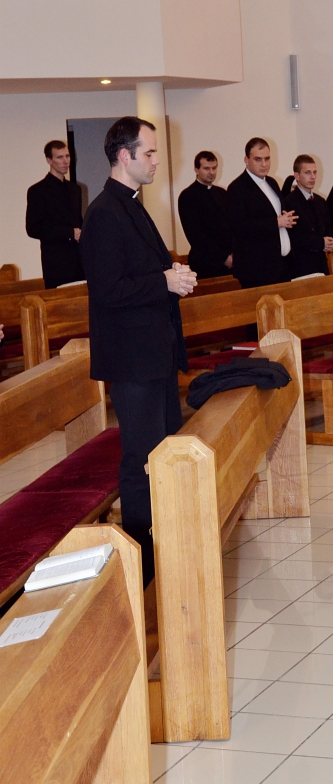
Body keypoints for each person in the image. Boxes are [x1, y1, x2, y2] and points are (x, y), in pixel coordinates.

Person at [80, 117, 196, 587]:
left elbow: (142, 272)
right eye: (148, 152)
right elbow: (107, 290)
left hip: (155, 353)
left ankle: (168, 543)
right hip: (133, 359)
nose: (155, 161)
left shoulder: (132, 205)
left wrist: (173, 276)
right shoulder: (104, 213)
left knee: (163, 452)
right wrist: (163, 281)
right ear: (124, 156)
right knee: (141, 460)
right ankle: (142, 560)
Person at [225, 137, 297, 288]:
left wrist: (286, 218)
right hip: (256, 269)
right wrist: (276, 223)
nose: (264, 164)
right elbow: (239, 227)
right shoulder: (237, 188)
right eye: (258, 159)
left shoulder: (272, 182)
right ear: (246, 160)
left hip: (280, 265)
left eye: (267, 159)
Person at [26, 140, 84, 288]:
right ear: (49, 160)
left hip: (80, 263)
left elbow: (78, 221)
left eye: (67, 156)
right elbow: (33, 228)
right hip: (56, 266)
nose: (65, 161)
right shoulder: (37, 191)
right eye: (59, 157)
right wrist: (70, 232)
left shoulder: (75, 189)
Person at [177, 150, 232, 280]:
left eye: (214, 168)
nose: (211, 172)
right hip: (205, 264)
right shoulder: (187, 196)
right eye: (206, 168)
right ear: (196, 169)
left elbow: (231, 227)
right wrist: (223, 258)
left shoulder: (222, 193)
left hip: (230, 262)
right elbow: (196, 236)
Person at [284, 154, 333, 278]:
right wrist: (321, 243)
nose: (312, 177)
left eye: (314, 172)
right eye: (307, 172)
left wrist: (330, 241)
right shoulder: (289, 202)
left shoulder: (320, 201)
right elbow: (294, 236)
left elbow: (327, 227)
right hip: (301, 265)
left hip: (321, 263)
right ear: (297, 176)